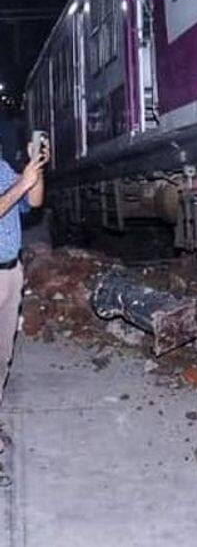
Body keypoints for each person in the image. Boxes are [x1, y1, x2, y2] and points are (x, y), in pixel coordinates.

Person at [0, 136, 48, 485]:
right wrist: (21, 184)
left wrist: (36, 169)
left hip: (10, 273)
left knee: (2, 359)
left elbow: (33, 201)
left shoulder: (1, 167)